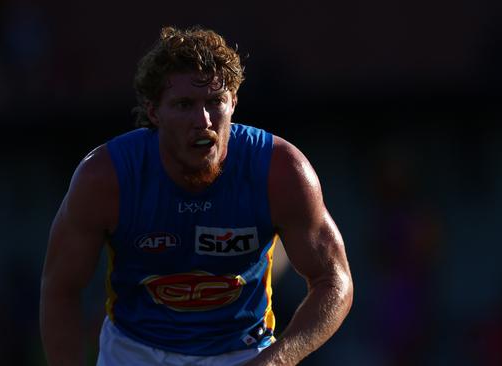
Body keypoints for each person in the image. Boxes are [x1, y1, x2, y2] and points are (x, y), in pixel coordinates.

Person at [40, 26, 353, 366]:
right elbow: (60, 288)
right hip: (135, 353)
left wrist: (277, 360)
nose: (202, 120)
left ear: (233, 102)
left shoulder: (281, 170)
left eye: (215, 102)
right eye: (184, 104)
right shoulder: (106, 176)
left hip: (244, 353)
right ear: (154, 112)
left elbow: (334, 280)